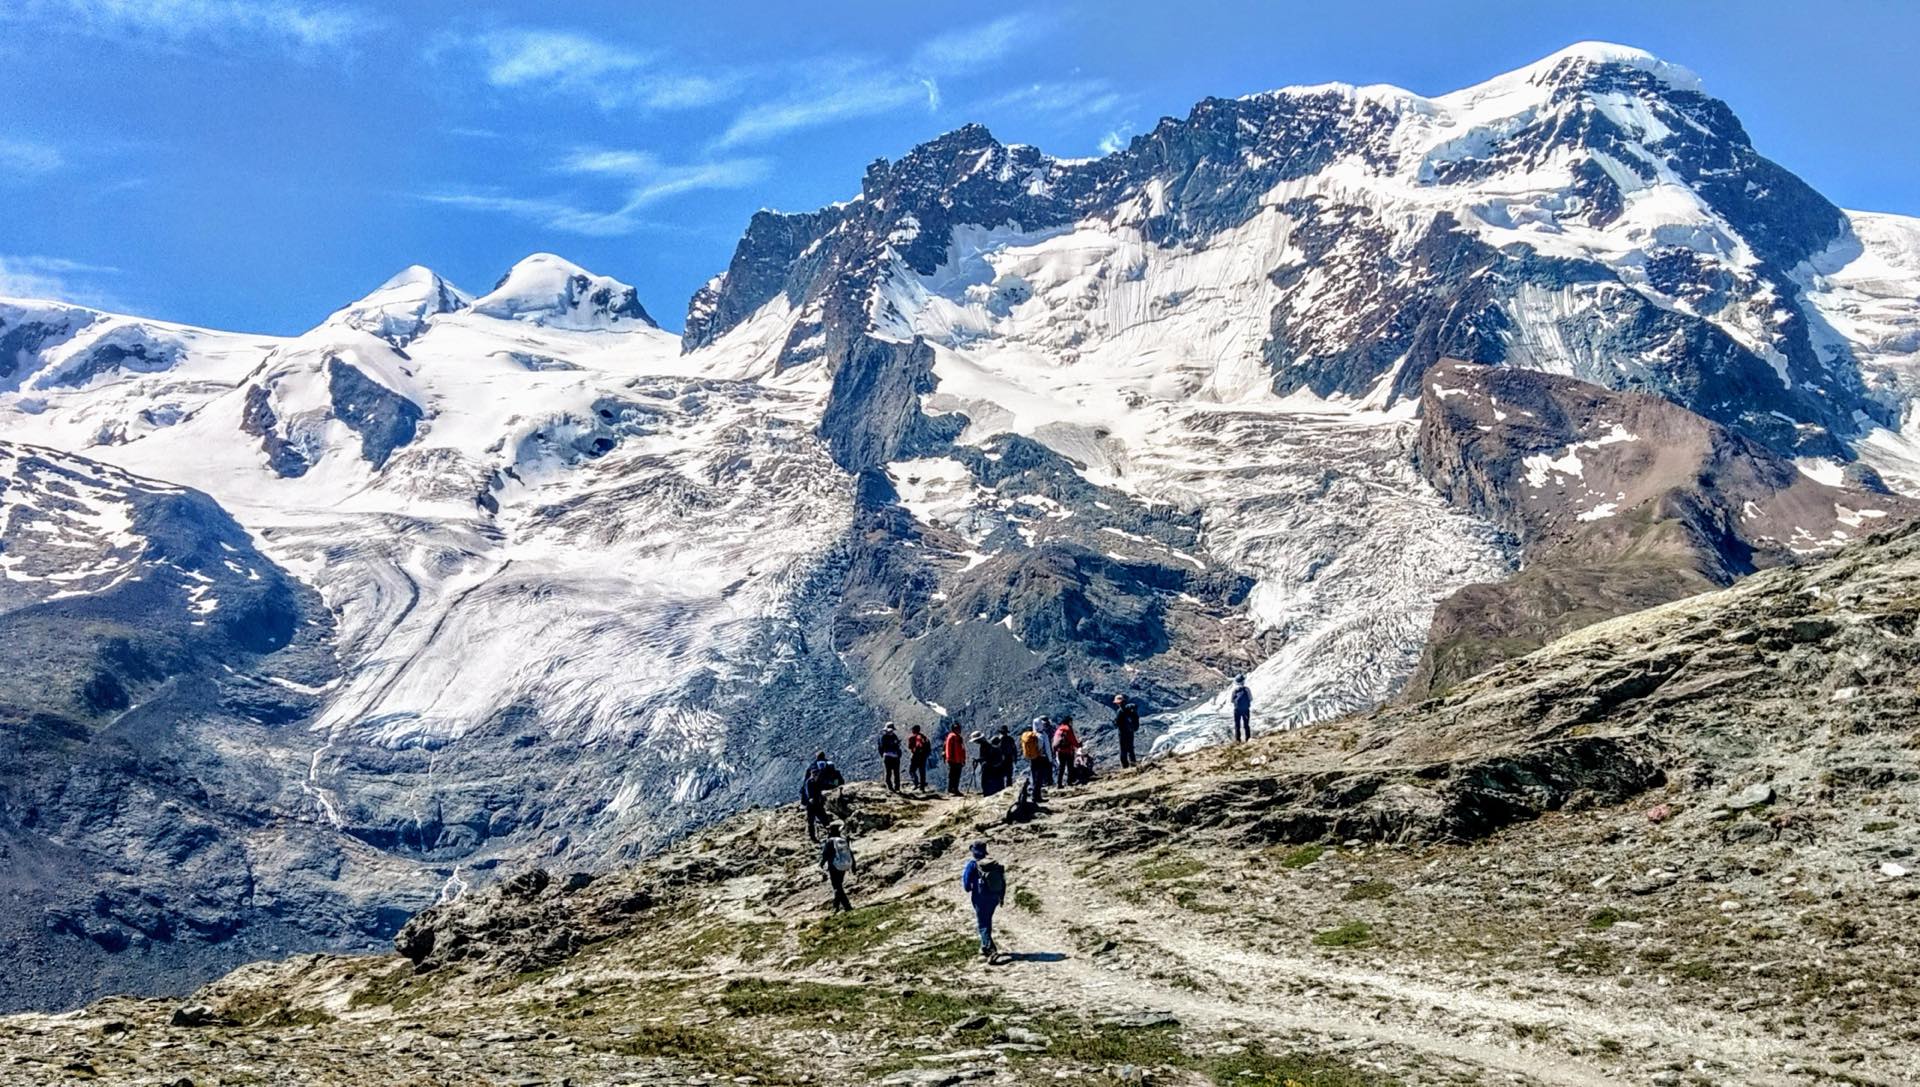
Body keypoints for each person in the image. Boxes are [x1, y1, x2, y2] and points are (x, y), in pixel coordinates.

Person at [960, 841, 1006, 959]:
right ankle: (984, 946)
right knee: (987, 920)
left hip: (980, 898)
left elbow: (966, 885)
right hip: (994, 898)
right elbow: (1002, 881)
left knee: (983, 923)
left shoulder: (972, 865)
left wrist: (971, 888)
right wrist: (1001, 897)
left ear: (973, 852)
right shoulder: (993, 864)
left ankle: (991, 950)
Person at [801, 752, 843, 842]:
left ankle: (829, 834)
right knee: (814, 820)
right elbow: (809, 791)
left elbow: (805, 789)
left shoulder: (813, 769)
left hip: (817, 803)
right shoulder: (812, 781)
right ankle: (815, 837)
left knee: (821, 820)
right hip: (813, 804)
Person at [819, 823, 855, 912]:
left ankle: (844, 906)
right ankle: (838, 906)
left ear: (831, 831)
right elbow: (850, 852)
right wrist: (853, 865)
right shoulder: (843, 840)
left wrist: (821, 864)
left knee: (837, 887)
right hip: (844, 865)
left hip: (834, 866)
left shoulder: (830, 841)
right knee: (838, 886)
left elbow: (825, 854)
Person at [1019, 717, 1048, 805]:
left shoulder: (1029, 736)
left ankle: (1033, 794)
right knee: (1039, 778)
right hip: (1040, 758)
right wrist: (1049, 759)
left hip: (1032, 758)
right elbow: (1044, 748)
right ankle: (1037, 796)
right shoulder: (1040, 736)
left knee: (1034, 776)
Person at [1112, 694, 1141, 769]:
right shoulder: (1131, 709)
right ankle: (1133, 764)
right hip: (1130, 731)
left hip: (1122, 733)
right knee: (1131, 748)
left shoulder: (1120, 711)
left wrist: (1114, 722)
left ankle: (1125, 767)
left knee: (1123, 750)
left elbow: (1117, 723)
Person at [1051, 715, 1080, 788]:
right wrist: (1078, 745)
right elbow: (1072, 739)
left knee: (1061, 767)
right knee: (1070, 767)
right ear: (1069, 721)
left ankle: (1059, 783)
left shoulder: (1059, 729)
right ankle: (1069, 782)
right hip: (1068, 751)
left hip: (1060, 751)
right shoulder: (1068, 729)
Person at [943, 724, 968, 795]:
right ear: (954, 729)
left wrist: (963, 759)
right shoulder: (952, 737)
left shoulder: (958, 737)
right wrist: (949, 758)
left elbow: (962, 749)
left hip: (958, 760)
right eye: (958, 728)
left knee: (956, 775)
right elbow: (948, 748)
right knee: (953, 775)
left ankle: (954, 789)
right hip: (954, 760)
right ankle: (952, 789)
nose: (959, 730)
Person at [878, 723, 903, 792]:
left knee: (895, 773)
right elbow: (881, 747)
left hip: (892, 756)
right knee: (889, 773)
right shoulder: (884, 737)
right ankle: (891, 787)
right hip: (890, 756)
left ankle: (896, 787)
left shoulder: (891, 736)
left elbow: (881, 748)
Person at [906, 724, 932, 791]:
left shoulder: (912, 737)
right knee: (922, 771)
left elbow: (909, 746)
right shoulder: (924, 737)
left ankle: (916, 783)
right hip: (923, 756)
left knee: (912, 770)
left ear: (913, 730)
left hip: (915, 756)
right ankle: (922, 787)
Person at [1231, 676, 1252, 742]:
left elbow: (1232, 700)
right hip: (1245, 710)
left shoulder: (1235, 690)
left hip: (1237, 710)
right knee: (1246, 725)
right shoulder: (1247, 689)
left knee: (1237, 725)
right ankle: (1248, 739)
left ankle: (1238, 740)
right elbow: (1250, 698)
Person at [972, 730, 994, 795]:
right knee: (985, 779)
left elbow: (986, 757)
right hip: (987, 764)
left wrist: (978, 760)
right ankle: (986, 791)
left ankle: (986, 792)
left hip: (987, 765)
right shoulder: (985, 744)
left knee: (985, 780)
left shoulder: (985, 746)